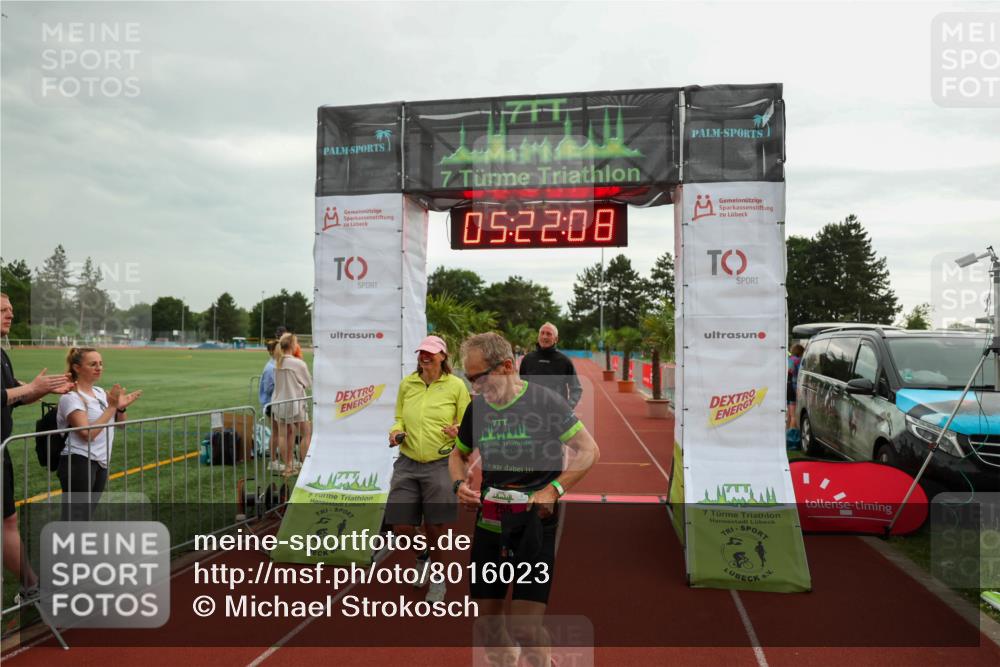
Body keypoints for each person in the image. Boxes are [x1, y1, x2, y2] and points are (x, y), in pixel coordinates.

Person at [450, 332, 599, 667]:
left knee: (526, 628)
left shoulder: (546, 403)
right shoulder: (478, 408)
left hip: (535, 524)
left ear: (505, 367)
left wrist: (553, 490)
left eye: (478, 378)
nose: (474, 387)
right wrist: (459, 483)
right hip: (490, 524)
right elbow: (457, 455)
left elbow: (589, 451)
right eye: (469, 379)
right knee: (487, 626)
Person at [387, 335, 470, 603]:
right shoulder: (407, 384)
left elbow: (469, 424)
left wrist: (459, 430)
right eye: (421, 351)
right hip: (408, 462)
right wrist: (396, 432)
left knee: (435, 527)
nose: (425, 356)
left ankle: (438, 577)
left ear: (443, 356)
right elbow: (398, 418)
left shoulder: (456, 386)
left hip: (441, 464)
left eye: (430, 352)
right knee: (400, 527)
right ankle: (422, 555)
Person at [1, 293, 73, 598]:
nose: (10, 314)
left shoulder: (2, 354)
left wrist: (43, 389)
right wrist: (31, 388)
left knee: (8, 520)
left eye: (11, 310)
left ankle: (31, 585)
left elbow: (14, 394)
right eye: (3, 310)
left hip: (1, 451)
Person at [57, 347, 142, 520]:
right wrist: (111, 407)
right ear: (77, 368)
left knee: (86, 515)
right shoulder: (71, 397)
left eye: (101, 364)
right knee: (75, 517)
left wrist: (120, 407)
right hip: (78, 461)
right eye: (93, 364)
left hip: (100, 461)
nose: (99, 368)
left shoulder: (100, 392)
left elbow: (121, 425)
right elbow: (87, 434)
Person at [271, 333, 311, 475]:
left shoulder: (277, 362)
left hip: (279, 402)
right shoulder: (298, 363)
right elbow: (307, 383)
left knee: (284, 435)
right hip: (296, 402)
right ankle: (306, 467)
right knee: (306, 433)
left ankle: (288, 466)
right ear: (293, 345)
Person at [518, 322, 583, 409]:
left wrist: (568, 406)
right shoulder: (527, 359)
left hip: (556, 413)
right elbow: (521, 385)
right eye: (542, 333)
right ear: (538, 337)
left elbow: (576, 388)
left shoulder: (565, 361)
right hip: (532, 412)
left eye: (549, 334)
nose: (544, 336)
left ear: (556, 339)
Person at [259, 340, 281, 471]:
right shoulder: (270, 368)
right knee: (276, 432)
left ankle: (277, 459)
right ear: (272, 351)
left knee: (279, 432)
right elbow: (268, 389)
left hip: (275, 402)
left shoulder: (275, 366)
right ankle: (272, 461)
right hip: (271, 404)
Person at [786, 343, 805, 449]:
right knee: (794, 415)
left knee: (788, 414)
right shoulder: (799, 361)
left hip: (787, 388)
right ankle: (792, 441)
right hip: (794, 388)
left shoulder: (789, 359)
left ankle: (786, 437)